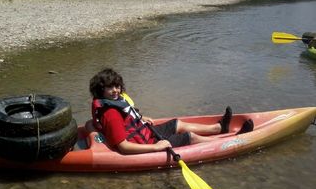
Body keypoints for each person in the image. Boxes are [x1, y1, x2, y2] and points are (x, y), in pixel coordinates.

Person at [89, 68, 254, 154]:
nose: (116, 91)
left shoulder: (116, 103)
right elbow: (124, 147)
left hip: (147, 134)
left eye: (117, 86)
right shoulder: (111, 114)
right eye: (110, 87)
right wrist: (157, 147)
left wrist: (140, 118)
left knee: (177, 124)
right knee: (189, 137)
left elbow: (128, 118)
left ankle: (218, 128)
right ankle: (230, 142)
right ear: (101, 90)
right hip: (147, 145)